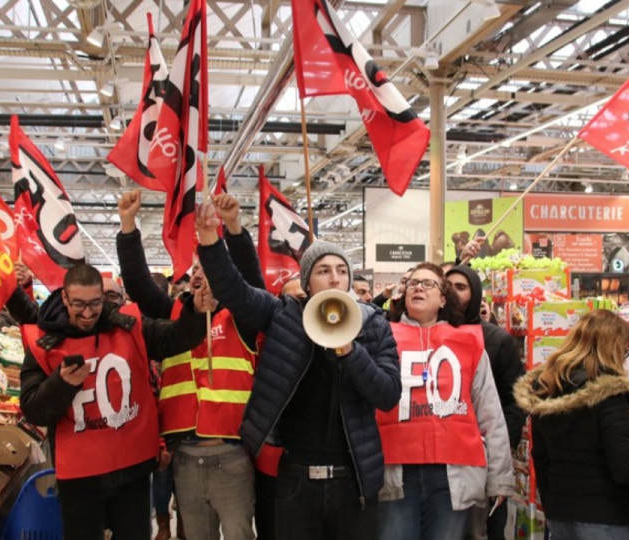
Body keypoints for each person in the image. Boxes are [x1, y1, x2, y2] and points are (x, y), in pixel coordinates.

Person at [195, 196, 402, 540]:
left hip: (353, 481)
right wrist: (210, 239)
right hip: (295, 480)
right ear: (307, 283)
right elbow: (236, 291)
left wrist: (351, 351)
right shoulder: (283, 315)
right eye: (323, 271)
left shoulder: (374, 326)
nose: (334, 278)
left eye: (341, 271)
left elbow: (388, 394)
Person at [19, 263, 209, 539]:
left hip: (131, 471)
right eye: (79, 304)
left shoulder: (129, 325)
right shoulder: (42, 342)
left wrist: (194, 313)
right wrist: (61, 384)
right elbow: (34, 410)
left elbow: (175, 338)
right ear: (64, 298)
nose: (87, 313)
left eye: (95, 303)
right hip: (79, 477)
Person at [116, 190, 263, 540]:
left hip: (232, 455)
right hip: (184, 457)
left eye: (208, 266)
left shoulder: (242, 317)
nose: (199, 273)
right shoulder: (172, 314)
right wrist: (127, 225)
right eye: (195, 268)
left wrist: (233, 227)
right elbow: (137, 284)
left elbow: (253, 281)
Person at [379, 263, 514, 540]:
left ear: (443, 298)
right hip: (395, 470)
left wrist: (500, 477)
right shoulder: (381, 337)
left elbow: (490, 411)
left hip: (452, 474)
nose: (419, 287)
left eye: (429, 284)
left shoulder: (469, 342)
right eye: (414, 282)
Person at [514, 310, 629, 540]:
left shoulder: (547, 388)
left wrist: (553, 504)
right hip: (605, 516)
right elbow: (624, 468)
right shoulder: (609, 394)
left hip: (560, 515)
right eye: (624, 350)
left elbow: (541, 457)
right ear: (612, 348)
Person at [445, 265, 526, 540]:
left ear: (476, 294)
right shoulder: (429, 335)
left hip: (482, 459)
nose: (453, 293)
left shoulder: (496, 340)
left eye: (461, 287)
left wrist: (497, 451)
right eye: (448, 286)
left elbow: (515, 401)